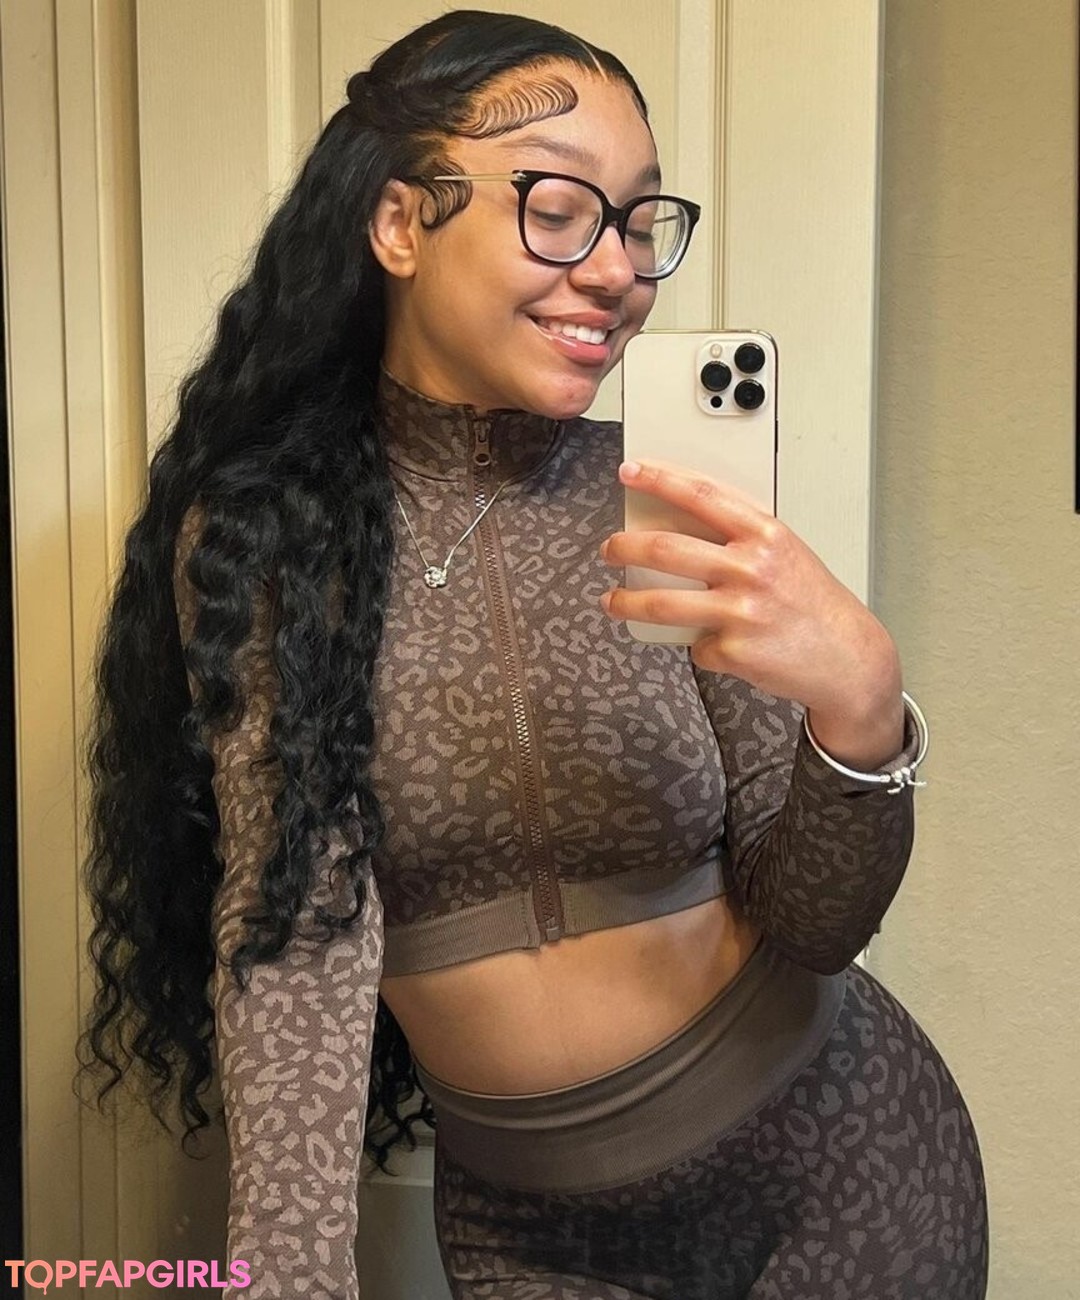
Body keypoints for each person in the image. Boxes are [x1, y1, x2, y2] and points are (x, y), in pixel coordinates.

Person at [77, 10, 989, 1299]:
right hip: (534, 1237)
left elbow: (817, 922)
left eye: (639, 222)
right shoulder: (275, 538)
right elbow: (295, 937)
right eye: (559, 210)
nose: (616, 270)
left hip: (849, 1172)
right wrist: (287, 1274)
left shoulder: (667, 497)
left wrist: (863, 713)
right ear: (400, 223)